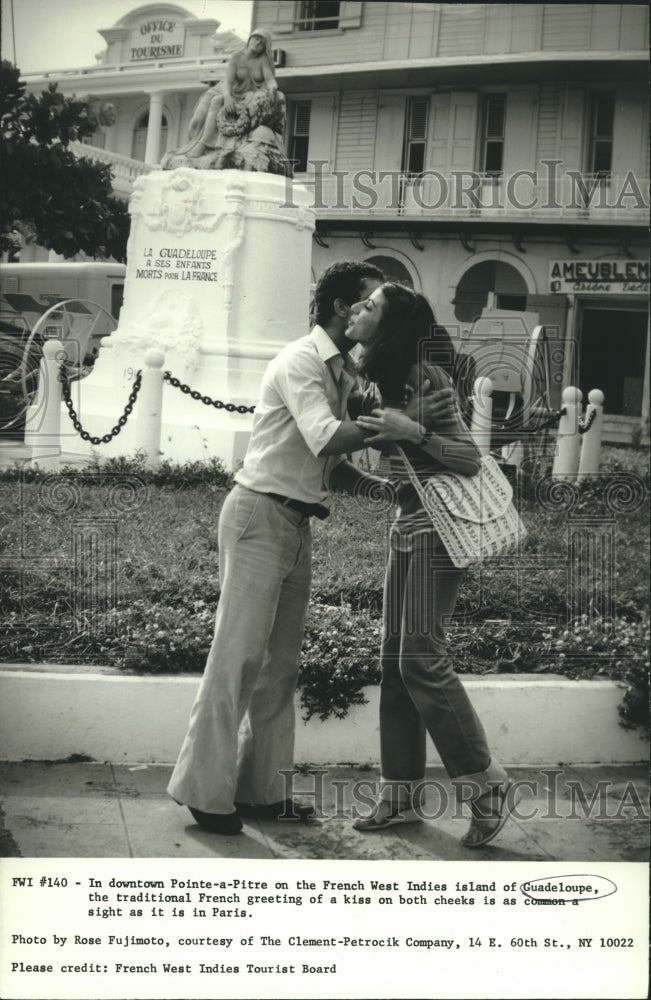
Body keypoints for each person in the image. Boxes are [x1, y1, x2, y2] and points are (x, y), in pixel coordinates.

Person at [167, 262, 436, 835]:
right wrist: (401, 425)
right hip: (259, 516)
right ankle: (202, 792)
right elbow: (327, 436)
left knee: (278, 668)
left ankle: (262, 791)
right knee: (236, 659)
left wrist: (380, 488)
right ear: (342, 307)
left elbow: (330, 467)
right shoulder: (302, 362)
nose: (370, 312)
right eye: (365, 302)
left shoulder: (340, 371)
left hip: (293, 524)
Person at [345, 281, 516, 848]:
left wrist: (409, 428)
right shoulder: (380, 377)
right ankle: (400, 796)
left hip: (438, 536)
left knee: (421, 658)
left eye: (369, 306)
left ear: (391, 324)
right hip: (408, 529)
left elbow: (467, 458)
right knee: (395, 663)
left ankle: (487, 785)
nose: (357, 310)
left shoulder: (426, 375)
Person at [162, 29, 289, 173]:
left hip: (246, 96)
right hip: (227, 91)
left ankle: (203, 145)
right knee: (199, 118)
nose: (258, 42)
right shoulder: (237, 57)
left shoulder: (263, 61)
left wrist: (272, 88)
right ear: (250, 39)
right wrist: (228, 98)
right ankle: (196, 143)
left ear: (265, 47)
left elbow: (270, 80)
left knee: (217, 102)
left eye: (262, 41)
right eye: (256, 38)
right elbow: (228, 82)